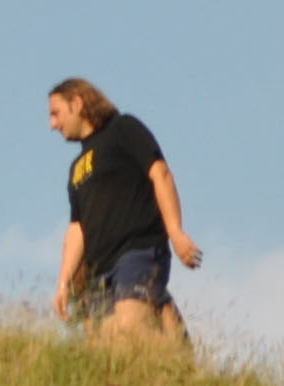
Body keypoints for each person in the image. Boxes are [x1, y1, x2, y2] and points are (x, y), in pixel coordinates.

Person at [47, 79, 201, 350]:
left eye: (56, 113)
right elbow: (77, 229)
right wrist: (63, 284)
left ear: (78, 103)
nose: (53, 124)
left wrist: (176, 233)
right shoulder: (76, 170)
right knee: (111, 350)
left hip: (138, 249)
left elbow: (160, 174)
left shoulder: (124, 129)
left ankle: (179, 369)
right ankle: (167, 320)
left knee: (131, 329)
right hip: (99, 269)